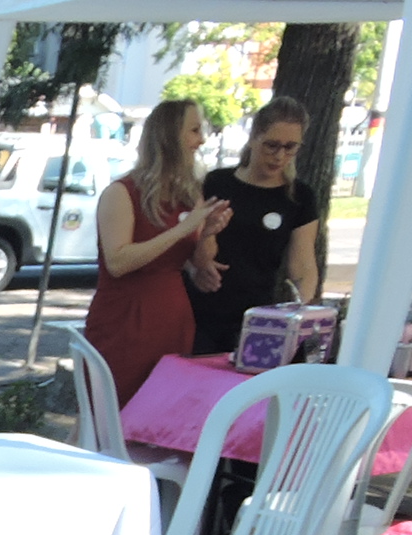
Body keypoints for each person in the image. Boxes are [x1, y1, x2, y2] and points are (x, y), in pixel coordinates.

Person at [84, 99, 233, 404]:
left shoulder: (188, 195)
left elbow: (197, 263)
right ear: (169, 136)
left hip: (173, 317)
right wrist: (181, 229)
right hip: (125, 318)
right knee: (115, 410)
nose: (201, 140)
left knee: (160, 410)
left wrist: (207, 233)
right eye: (194, 130)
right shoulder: (122, 192)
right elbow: (117, 261)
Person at [188, 96, 321, 357]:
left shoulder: (300, 197)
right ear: (253, 137)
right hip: (202, 310)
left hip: (257, 318)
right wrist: (194, 269)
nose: (279, 156)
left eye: (290, 147)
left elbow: (303, 267)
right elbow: (185, 243)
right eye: (271, 145)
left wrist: (300, 313)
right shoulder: (216, 183)